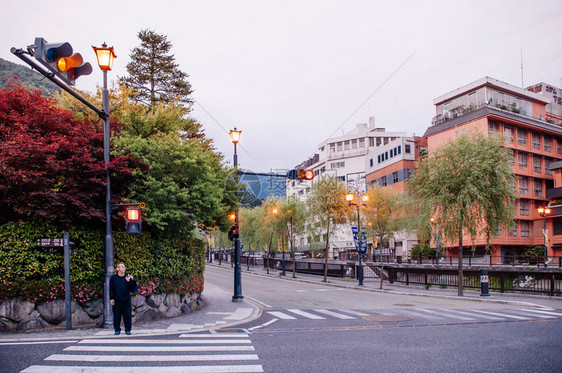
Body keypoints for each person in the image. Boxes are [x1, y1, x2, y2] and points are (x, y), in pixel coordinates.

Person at [109, 262, 137, 335]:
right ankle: (117, 329)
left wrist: (129, 281)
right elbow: (111, 288)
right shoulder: (113, 278)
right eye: (122, 267)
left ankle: (128, 329)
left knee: (127, 315)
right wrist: (111, 298)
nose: (123, 268)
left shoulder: (128, 277)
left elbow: (133, 289)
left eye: (124, 267)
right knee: (117, 316)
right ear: (117, 268)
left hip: (126, 299)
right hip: (117, 299)